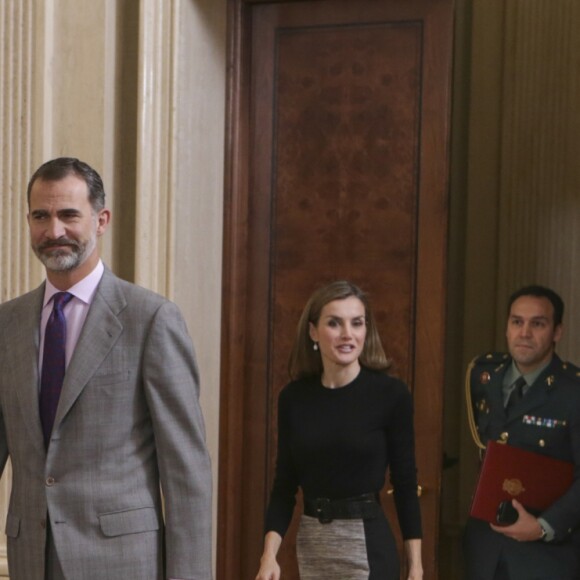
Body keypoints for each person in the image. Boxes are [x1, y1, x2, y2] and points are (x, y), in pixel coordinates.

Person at [0, 157, 213, 580]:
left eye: (69, 215)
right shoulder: (7, 324)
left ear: (101, 220)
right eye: (41, 216)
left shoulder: (150, 319)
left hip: (122, 562)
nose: (54, 231)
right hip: (30, 559)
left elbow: (186, 473)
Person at [255, 280, 423, 580]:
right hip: (313, 547)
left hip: (368, 547)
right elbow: (284, 486)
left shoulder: (391, 394)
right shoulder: (293, 398)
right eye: (334, 323)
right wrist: (269, 556)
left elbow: (406, 483)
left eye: (356, 323)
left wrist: (416, 567)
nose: (348, 334)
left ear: (365, 330)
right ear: (313, 332)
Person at [464, 285, 580, 580]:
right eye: (517, 322)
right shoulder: (484, 376)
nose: (524, 332)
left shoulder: (573, 391)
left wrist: (544, 526)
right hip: (485, 550)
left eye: (537, 324)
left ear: (557, 332)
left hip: (546, 556)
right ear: (507, 328)